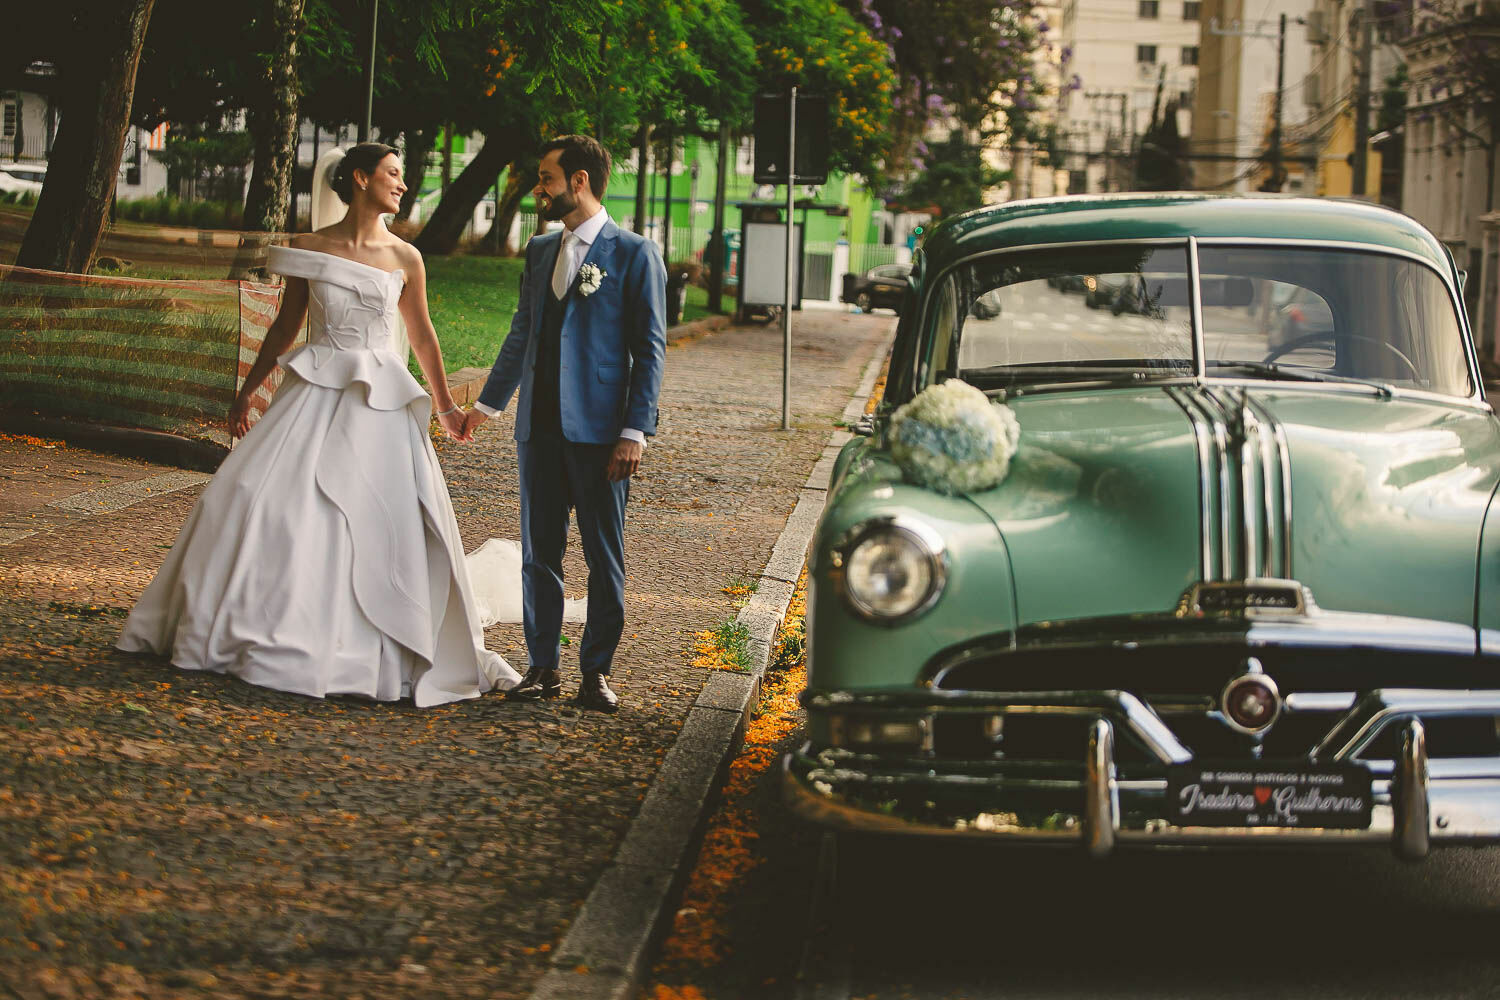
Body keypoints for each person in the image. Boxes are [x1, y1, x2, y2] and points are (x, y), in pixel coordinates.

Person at [117, 142, 521, 707]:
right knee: (252, 495)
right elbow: (286, 328)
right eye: (393, 173)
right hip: (312, 393)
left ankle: (369, 644)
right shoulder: (309, 248)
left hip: (378, 404)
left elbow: (422, 336)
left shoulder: (406, 257)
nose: (402, 184)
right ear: (360, 178)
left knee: (376, 518)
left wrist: (445, 406)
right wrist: (250, 389)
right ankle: (254, 626)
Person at [459, 134, 666, 713]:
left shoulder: (635, 254)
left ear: (579, 181)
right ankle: (543, 667)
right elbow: (522, 332)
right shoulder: (539, 250)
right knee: (539, 553)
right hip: (539, 429)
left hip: (603, 434)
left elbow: (650, 351)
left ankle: (595, 673)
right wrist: (487, 407)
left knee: (604, 557)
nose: (539, 189)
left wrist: (634, 432)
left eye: (546, 178)